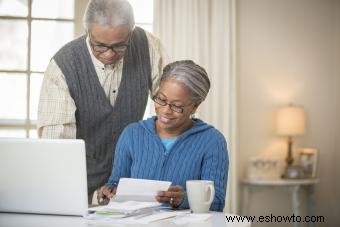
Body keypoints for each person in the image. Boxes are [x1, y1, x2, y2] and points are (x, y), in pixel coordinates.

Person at [37, 0, 167, 203]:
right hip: (81, 191)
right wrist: (90, 196)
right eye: (100, 46)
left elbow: (173, 105)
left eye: (119, 46)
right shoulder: (62, 67)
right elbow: (57, 151)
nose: (109, 54)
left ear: (131, 31)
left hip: (135, 185)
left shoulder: (148, 47)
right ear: (87, 30)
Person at [99, 60, 229, 211]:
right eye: (161, 99)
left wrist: (184, 199)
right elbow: (115, 184)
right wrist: (108, 192)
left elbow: (217, 201)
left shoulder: (212, 141)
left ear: (195, 106)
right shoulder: (132, 134)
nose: (166, 110)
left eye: (177, 106)